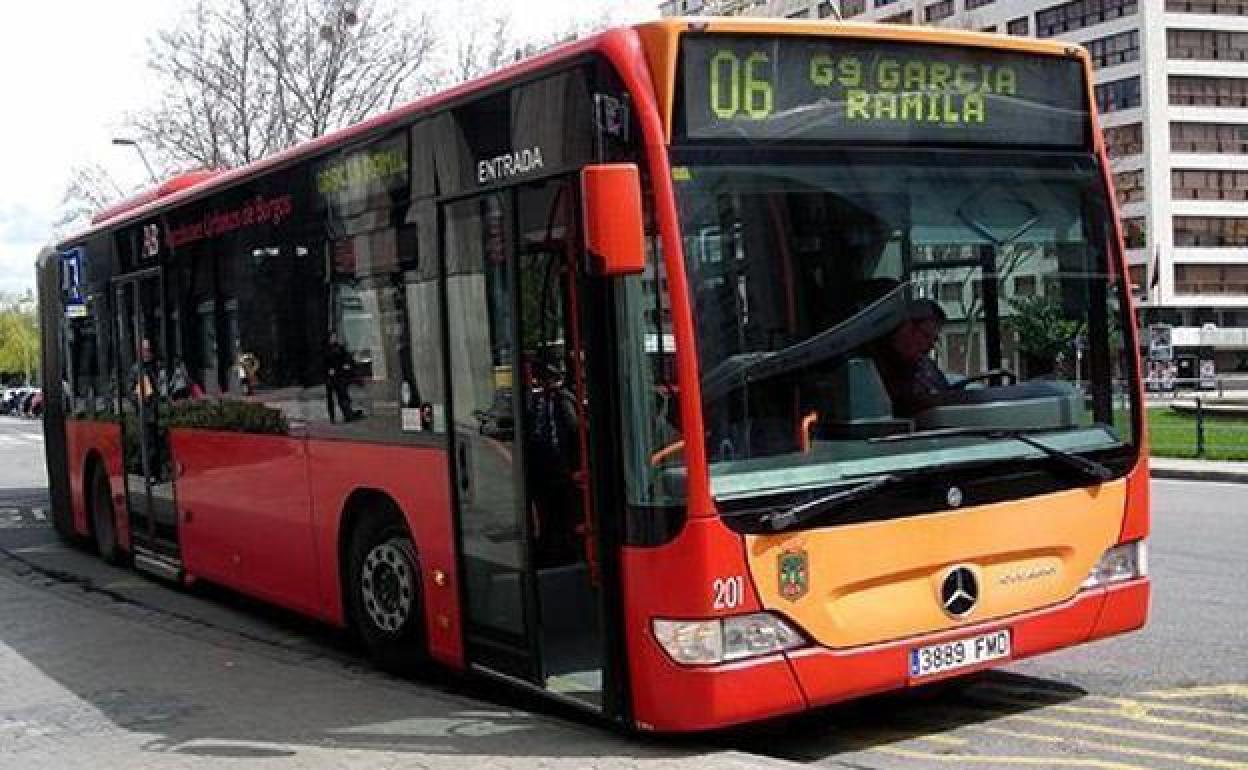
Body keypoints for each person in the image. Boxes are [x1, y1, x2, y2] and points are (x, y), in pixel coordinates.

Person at [873, 298, 951, 417]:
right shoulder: (874, 367)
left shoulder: (926, 366)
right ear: (906, 328)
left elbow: (947, 397)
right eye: (925, 336)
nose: (930, 346)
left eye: (934, 340)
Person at [325, 332, 357, 422]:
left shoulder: (339, 347)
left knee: (343, 395)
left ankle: (348, 414)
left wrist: (347, 364)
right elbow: (323, 361)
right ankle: (333, 417)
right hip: (330, 377)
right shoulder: (326, 349)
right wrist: (328, 370)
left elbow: (346, 357)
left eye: (335, 337)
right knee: (331, 398)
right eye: (332, 337)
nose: (334, 339)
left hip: (339, 375)